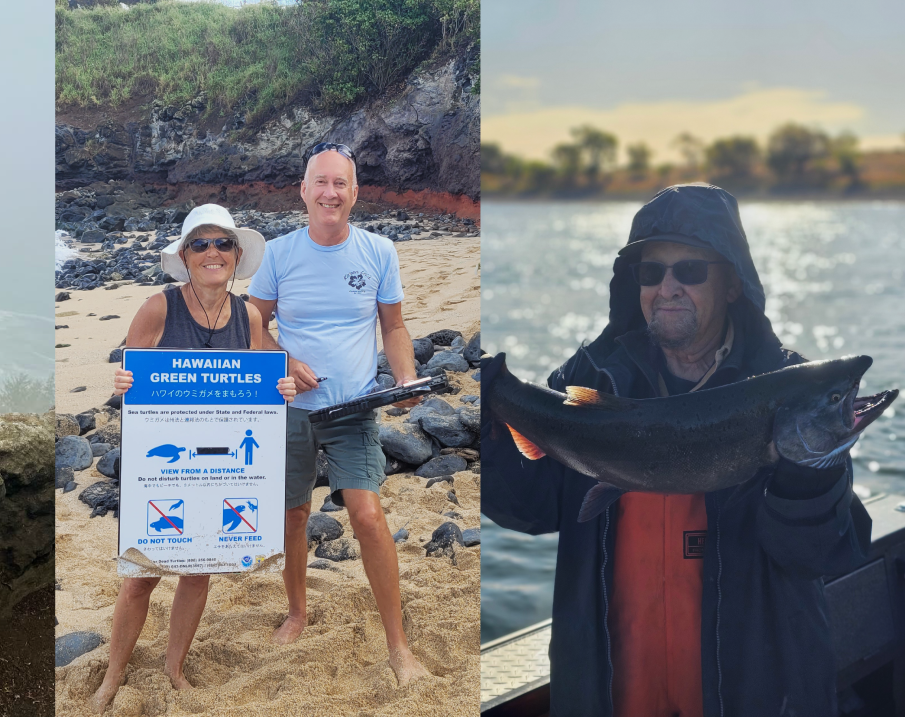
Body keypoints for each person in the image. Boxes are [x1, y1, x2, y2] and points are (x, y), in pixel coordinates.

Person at [479, 184, 870, 716]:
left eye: (689, 270)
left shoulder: (790, 392)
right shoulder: (589, 378)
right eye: (650, 272)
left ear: (732, 282)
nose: (667, 287)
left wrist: (807, 477)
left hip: (748, 695)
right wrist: (487, 417)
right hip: (612, 691)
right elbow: (530, 506)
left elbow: (829, 554)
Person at [92, 203, 297, 713]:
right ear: (184, 256)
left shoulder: (248, 314)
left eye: (222, 243)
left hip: (221, 464)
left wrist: (283, 386)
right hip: (163, 467)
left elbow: (261, 382)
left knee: (199, 568)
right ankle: (112, 677)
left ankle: (174, 666)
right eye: (200, 244)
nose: (212, 252)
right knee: (142, 573)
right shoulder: (159, 307)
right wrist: (121, 383)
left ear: (236, 254)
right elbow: (129, 378)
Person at [246, 142, 431, 685]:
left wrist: (404, 378)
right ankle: (298, 610)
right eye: (320, 183)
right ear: (303, 191)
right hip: (288, 404)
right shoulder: (278, 254)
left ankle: (397, 644)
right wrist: (285, 358)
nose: (330, 193)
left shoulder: (379, 251)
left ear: (355, 193)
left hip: (354, 407)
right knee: (293, 515)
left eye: (340, 184)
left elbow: (393, 327)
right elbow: (252, 320)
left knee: (368, 516)